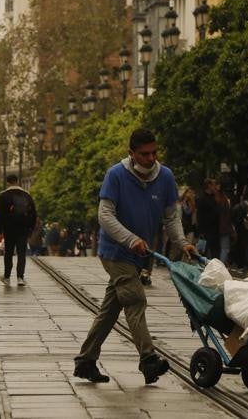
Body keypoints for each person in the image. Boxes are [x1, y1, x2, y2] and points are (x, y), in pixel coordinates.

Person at [73, 128, 197, 386]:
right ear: (131, 153)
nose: (150, 158)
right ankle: (148, 359)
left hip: (141, 253)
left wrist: (183, 243)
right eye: (144, 154)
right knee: (135, 299)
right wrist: (130, 239)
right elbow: (105, 215)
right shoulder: (116, 175)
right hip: (116, 251)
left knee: (110, 309)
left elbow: (171, 217)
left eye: (154, 153)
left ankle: (85, 361)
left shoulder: (165, 176)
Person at [0, 173, 37, 285]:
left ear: (8, 182)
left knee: (8, 252)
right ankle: (20, 277)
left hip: (9, 228)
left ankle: (7, 276)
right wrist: (30, 228)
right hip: (23, 228)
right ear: (17, 181)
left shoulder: (3, 195)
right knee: (21, 252)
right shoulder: (27, 195)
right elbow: (33, 213)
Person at [196, 178, 233, 264]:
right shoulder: (203, 199)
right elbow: (200, 216)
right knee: (207, 252)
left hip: (215, 230)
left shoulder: (213, 198)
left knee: (215, 252)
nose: (215, 187)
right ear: (209, 186)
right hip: (207, 231)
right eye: (213, 185)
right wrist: (201, 231)